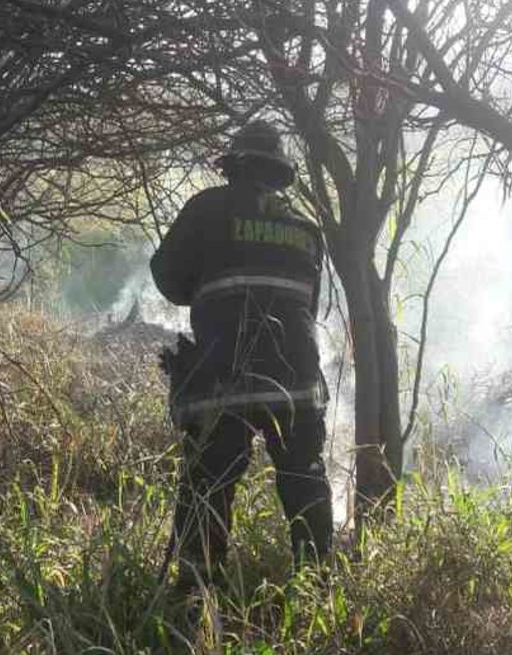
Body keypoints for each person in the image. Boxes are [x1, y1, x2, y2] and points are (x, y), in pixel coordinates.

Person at [151, 120, 334, 591]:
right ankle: (317, 588)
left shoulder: (206, 209)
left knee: (208, 485)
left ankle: (197, 595)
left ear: (234, 167)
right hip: (295, 382)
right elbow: (307, 306)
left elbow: (168, 280)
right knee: (304, 481)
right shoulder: (306, 229)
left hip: (220, 380)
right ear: (279, 173)